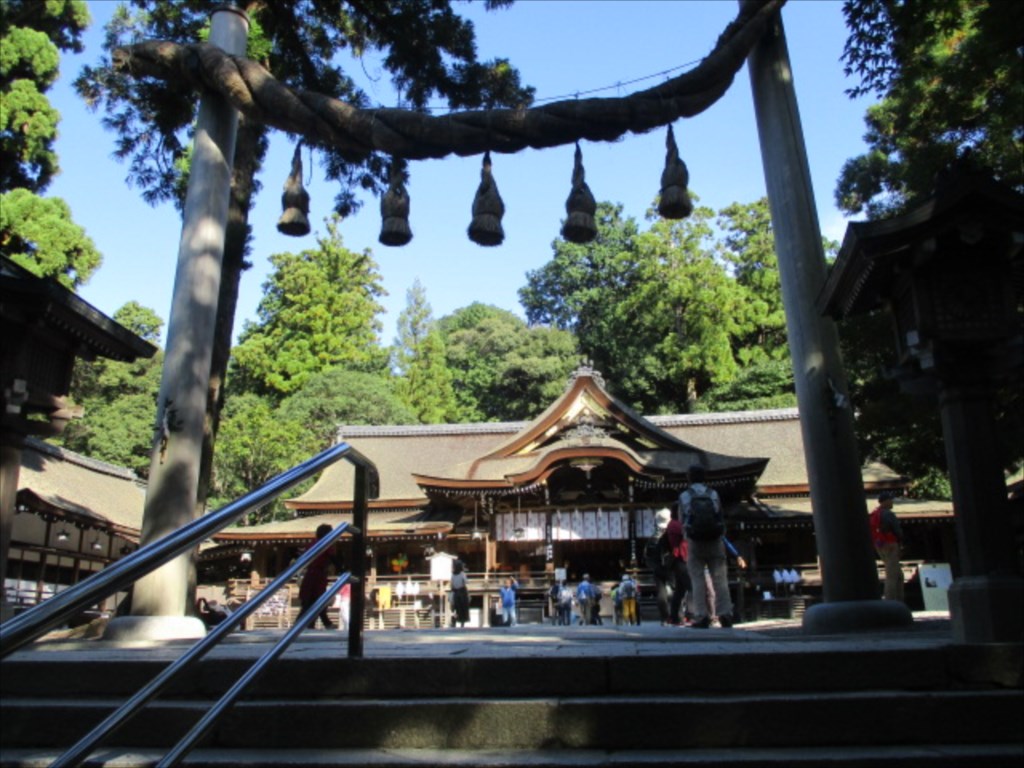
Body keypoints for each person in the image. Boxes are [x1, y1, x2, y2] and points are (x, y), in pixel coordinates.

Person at [680, 464, 734, 629]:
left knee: (697, 579)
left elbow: (683, 521)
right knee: (720, 579)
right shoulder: (713, 494)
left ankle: (701, 616)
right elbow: (720, 516)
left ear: (689, 478)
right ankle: (725, 614)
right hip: (715, 540)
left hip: (695, 542)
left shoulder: (684, 496)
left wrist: (688, 536)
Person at [297, 523, 340, 630]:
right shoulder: (325, 544)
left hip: (310, 573)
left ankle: (312, 623)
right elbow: (333, 558)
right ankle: (323, 623)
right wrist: (342, 569)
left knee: (311, 600)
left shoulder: (312, 543)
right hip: (318, 574)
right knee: (317, 599)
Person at [870, 490, 905, 602]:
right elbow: (897, 531)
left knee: (899, 575)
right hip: (891, 544)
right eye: (890, 499)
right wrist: (901, 543)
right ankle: (890, 600)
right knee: (892, 575)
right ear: (885, 501)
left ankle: (899, 599)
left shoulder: (875, 513)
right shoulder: (888, 514)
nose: (892, 502)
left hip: (880, 545)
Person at [450, 560, 470, 627]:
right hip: (462, 592)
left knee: (456, 607)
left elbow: (452, 584)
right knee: (463, 607)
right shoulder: (462, 574)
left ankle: (454, 620)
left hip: (455, 592)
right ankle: (462, 622)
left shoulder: (453, 575)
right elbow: (466, 582)